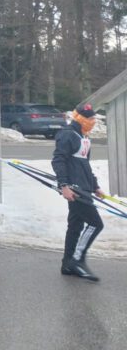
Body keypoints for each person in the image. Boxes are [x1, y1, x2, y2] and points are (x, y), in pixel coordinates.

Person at [52, 103, 103, 282]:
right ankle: (77, 260)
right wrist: (64, 185)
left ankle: (67, 264)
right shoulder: (68, 135)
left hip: (84, 187)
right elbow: (58, 160)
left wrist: (95, 186)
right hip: (74, 187)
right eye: (90, 118)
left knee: (75, 226)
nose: (93, 121)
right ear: (80, 118)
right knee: (96, 224)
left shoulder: (83, 136)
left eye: (94, 118)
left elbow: (85, 165)